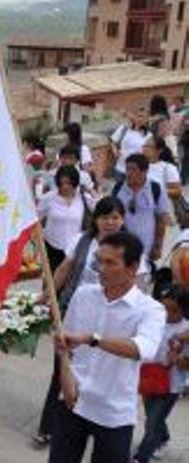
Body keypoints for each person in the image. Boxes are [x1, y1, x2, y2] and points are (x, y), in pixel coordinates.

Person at [33, 197, 147, 445]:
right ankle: (49, 426)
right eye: (105, 217)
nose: (110, 222)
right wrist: (45, 295)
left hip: (113, 323)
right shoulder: (82, 240)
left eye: (116, 217)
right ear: (95, 219)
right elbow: (65, 268)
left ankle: (97, 423)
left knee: (103, 371)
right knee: (62, 371)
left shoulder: (131, 249)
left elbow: (139, 289)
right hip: (79, 313)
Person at [48, 232, 167, 463]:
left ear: (132, 268)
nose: (101, 268)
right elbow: (65, 344)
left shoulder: (151, 310)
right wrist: (65, 378)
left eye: (110, 262)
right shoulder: (83, 295)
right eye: (99, 260)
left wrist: (93, 339)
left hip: (114, 412)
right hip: (73, 400)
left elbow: (143, 349)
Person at [132, 285, 189, 463]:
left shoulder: (186, 331)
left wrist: (177, 359)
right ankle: (163, 438)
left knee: (152, 423)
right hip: (148, 377)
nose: (167, 313)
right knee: (153, 417)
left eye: (173, 310)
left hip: (171, 385)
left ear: (184, 310)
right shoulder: (154, 320)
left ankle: (141, 457)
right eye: (163, 307)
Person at [113, 154, 171, 262]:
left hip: (146, 248)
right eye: (127, 169)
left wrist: (158, 246)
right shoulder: (118, 188)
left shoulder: (155, 189)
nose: (128, 173)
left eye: (133, 169)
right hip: (122, 245)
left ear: (144, 171)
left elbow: (161, 219)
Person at [38, 166, 94, 272]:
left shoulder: (83, 198)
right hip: (51, 246)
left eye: (68, 183)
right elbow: (37, 219)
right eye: (61, 183)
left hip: (74, 247)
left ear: (75, 183)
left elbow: (100, 207)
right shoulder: (49, 198)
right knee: (52, 277)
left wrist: (91, 191)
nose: (65, 187)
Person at [111, 109, 149, 184]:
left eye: (144, 117)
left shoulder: (148, 135)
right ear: (134, 117)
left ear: (146, 120)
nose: (140, 119)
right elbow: (113, 141)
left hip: (137, 172)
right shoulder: (124, 129)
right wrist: (115, 151)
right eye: (139, 116)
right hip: (120, 168)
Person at [142, 135, 182, 199]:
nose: (144, 149)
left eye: (148, 146)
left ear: (159, 150)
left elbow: (178, 192)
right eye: (144, 146)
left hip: (160, 207)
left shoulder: (168, 168)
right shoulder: (139, 164)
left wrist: (158, 191)